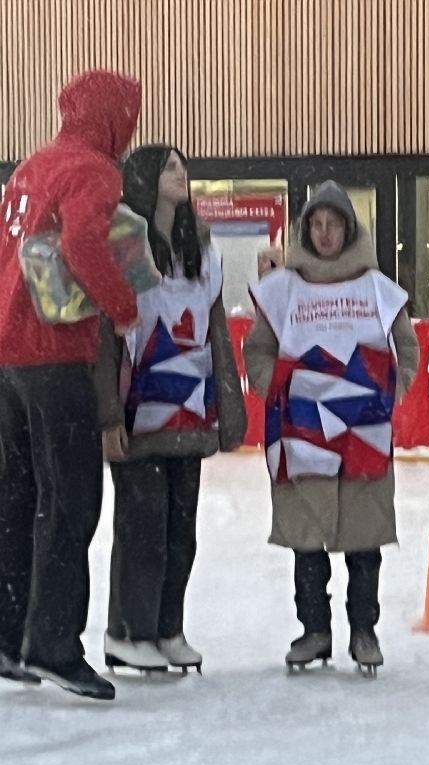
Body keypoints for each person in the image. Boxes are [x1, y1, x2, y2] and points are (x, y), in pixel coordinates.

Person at [0, 69, 143, 700]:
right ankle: (55, 645)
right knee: (71, 500)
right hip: (54, 354)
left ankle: (9, 637)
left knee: (15, 496)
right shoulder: (94, 170)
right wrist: (125, 307)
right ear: (114, 117)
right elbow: (85, 242)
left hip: (7, 355)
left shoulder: (30, 167)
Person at [243, 182, 420, 676]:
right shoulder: (281, 291)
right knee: (308, 540)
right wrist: (272, 385)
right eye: (316, 224)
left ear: (349, 229)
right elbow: (257, 350)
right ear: (305, 230)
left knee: (363, 540)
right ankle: (314, 631)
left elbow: (406, 347)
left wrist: (388, 390)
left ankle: (364, 631)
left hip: (361, 434)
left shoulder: (378, 289)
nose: (324, 234)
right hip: (303, 436)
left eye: (333, 224)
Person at [93, 145, 247, 674]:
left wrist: (229, 404)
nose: (182, 174)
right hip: (138, 415)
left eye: (184, 167)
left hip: (188, 411)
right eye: (169, 167)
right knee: (142, 526)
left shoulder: (202, 250)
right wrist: (109, 413)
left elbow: (217, 332)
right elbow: (105, 340)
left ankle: (167, 628)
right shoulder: (124, 249)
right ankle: (126, 631)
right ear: (143, 179)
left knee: (181, 530)